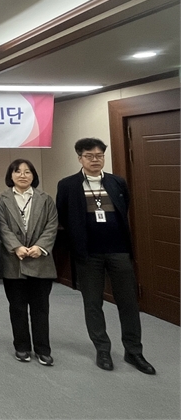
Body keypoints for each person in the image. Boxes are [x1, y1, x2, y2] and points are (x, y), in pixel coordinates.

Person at [56, 138, 155, 375]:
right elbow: (63, 216)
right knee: (93, 303)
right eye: (89, 156)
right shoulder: (68, 185)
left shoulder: (116, 182)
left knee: (128, 303)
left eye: (99, 156)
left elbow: (124, 208)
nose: (95, 160)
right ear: (79, 158)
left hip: (118, 250)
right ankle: (102, 349)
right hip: (88, 253)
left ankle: (134, 351)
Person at [0, 159, 58, 366]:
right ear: (11, 176)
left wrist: (40, 247)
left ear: (33, 175)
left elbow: (52, 225)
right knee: (17, 307)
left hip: (40, 261)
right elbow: (2, 226)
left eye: (27, 172)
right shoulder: (1, 199)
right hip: (13, 261)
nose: (22, 175)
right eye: (17, 171)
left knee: (41, 308)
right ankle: (21, 346)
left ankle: (43, 349)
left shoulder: (45, 199)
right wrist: (16, 247)